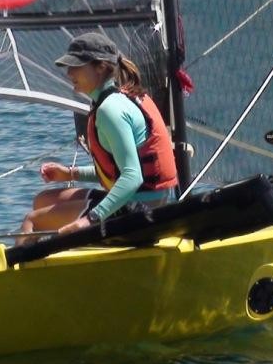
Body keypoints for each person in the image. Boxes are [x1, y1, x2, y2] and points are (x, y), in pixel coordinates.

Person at [18, 33, 178, 241]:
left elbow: (132, 177)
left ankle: (17, 268)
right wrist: (71, 174)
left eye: (76, 66)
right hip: (141, 200)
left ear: (101, 67)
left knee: (33, 220)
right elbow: (118, 169)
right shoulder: (123, 97)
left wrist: (89, 220)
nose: (69, 73)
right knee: (43, 200)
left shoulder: (110, 110)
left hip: (143, 211)